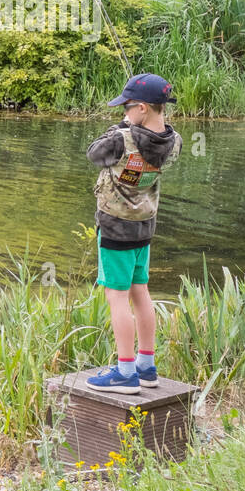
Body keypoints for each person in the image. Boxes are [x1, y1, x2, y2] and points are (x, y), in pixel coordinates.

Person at [85, 73, 182, 394]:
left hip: (115, 228)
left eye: (126, 107)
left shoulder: (119, 139)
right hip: (144, 229)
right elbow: (148, 144)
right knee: (141, 292)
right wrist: (131, 125)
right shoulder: (173, 142)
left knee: (116, 298)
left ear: (141, 108)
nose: (122, 112)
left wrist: (120, 129)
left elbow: (93, 153)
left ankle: (125, 372)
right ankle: (146, 365)